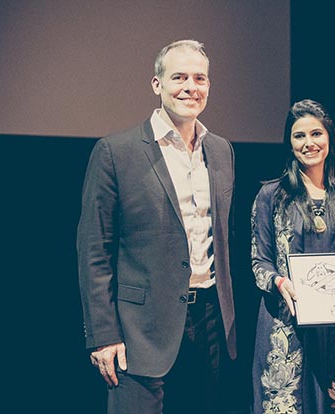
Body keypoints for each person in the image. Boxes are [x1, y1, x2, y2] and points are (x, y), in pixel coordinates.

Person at [77, 39, 237, 414]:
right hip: (139, 331)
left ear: (209, 86)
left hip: (210, 321)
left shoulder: (222, 151)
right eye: (179, 77)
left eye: (199, 78)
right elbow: (93, 250)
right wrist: (103, 335)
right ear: (157, 84)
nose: (190, 87)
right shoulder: (116, 152)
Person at [250, 99, 335, 414]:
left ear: (330, 138)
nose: (309, 143)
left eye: (316, 134)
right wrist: (278, 282)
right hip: (284, 323)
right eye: (299, 136)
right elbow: (259, 261)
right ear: (289, 143)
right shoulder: (272, 195)